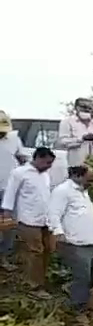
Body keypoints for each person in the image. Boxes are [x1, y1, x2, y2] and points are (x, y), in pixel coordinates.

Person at [48, 166, 93, 323]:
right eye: (89, 180)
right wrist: (58, 233)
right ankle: (77, 309)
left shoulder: (83, 191)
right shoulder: (63, 191)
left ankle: (73, 289)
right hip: (74, 242)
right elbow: (53, 213)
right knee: (82, 275)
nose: (92, 183)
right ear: (77, 176)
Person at [2, 147, 56, 296]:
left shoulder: (45, 174)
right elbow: (10, 194)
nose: (49, 166)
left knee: (48, 250)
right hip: (28, 219)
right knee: (35, 251)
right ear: (37, 158)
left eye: (51, 163)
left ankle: (41, 280)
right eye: (47, 163)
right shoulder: (19, 173)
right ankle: (34, 286)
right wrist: (7, 215)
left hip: (45, 218)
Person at [0, 111, 25, 265]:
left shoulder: (14, 139)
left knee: (8, 225)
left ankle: (3, 257)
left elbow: (21, 157)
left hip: (9, 188)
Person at [55, 98, 93, 168]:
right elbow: (62, 142)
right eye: (83, 107)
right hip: (76, 165)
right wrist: (82, 138)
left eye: (90, 108)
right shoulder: (67, 122)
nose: (87, 110)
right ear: (76, 107)